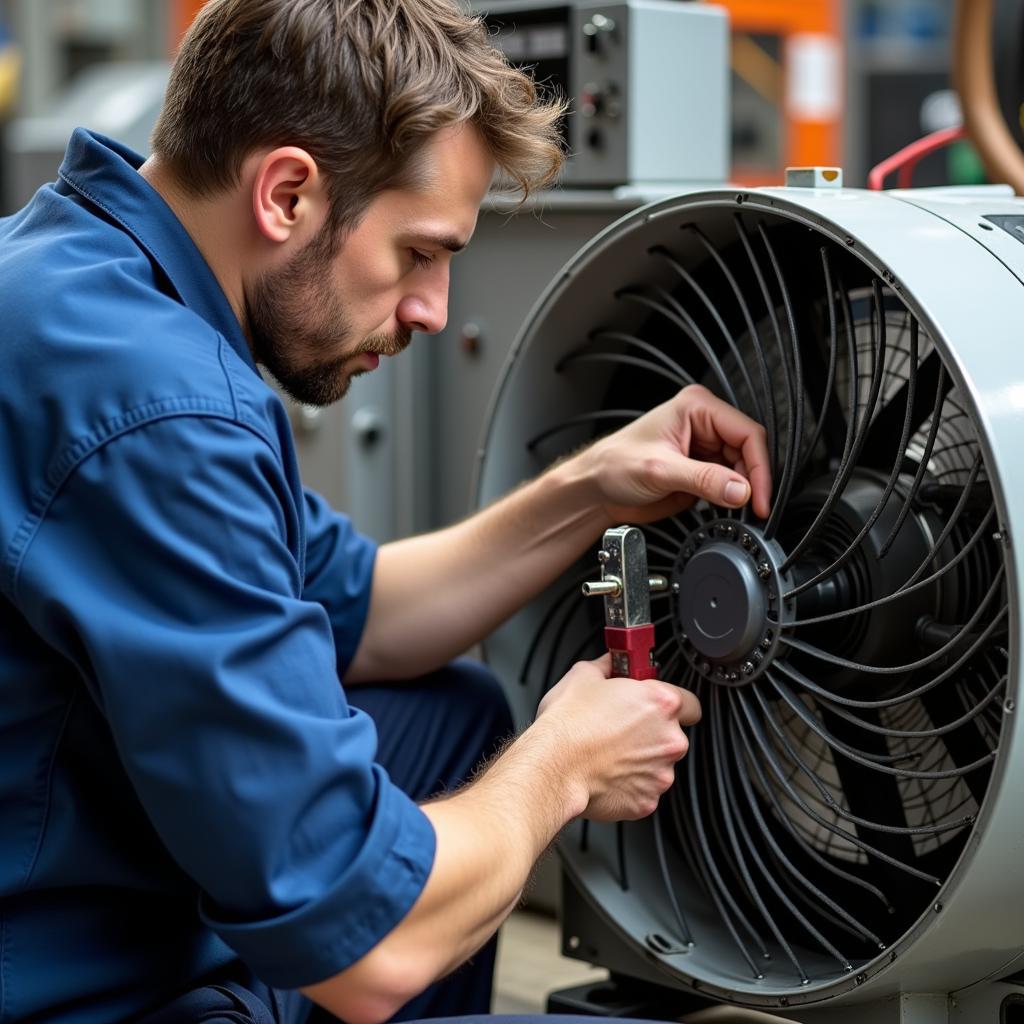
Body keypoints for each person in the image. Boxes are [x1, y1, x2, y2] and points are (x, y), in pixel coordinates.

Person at [0, 1, 771, 1022]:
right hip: (65, 984)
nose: (434, 310)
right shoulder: (162, 409)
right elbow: (368, 942)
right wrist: (564, 761)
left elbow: (362, 604)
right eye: (418, 253)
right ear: (286, 194)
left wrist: (593, 481)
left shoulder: (77, 275)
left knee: (452, 715)